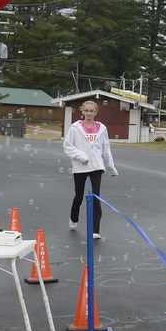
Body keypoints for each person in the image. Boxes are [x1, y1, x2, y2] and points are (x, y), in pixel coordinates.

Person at [63, 100, 118, 238]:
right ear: (82, 111)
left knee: (96, 196)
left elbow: (106, 150)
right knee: (79, 195)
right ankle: (74, 218)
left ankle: (95, 230)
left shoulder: (101, 128)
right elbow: (68, 146)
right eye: (86, 110)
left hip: (96, 166)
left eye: (91, 111)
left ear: (96, 112)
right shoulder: (75, 128)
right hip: (80, 166)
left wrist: (111, 168)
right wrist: (81, 156)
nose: (89, 113)